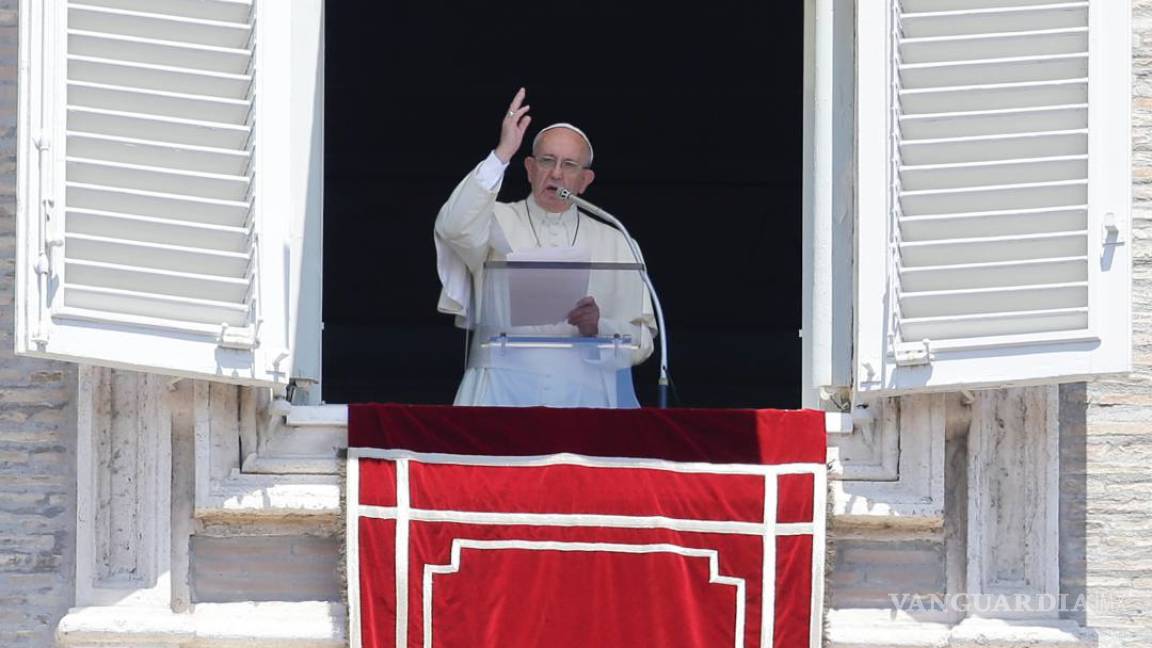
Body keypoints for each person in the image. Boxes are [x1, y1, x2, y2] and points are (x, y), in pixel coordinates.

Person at [434, 88, 657, 407]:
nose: (556, 173)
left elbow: (643, 340)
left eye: (569, 165)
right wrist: (502, 153)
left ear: (585, 180)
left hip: (586, 400)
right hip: (499, 394)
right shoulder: (494, 218)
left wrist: (599, 327)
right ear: (529, 168)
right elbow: (453, 225)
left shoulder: (615, 239)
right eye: (547, 161)